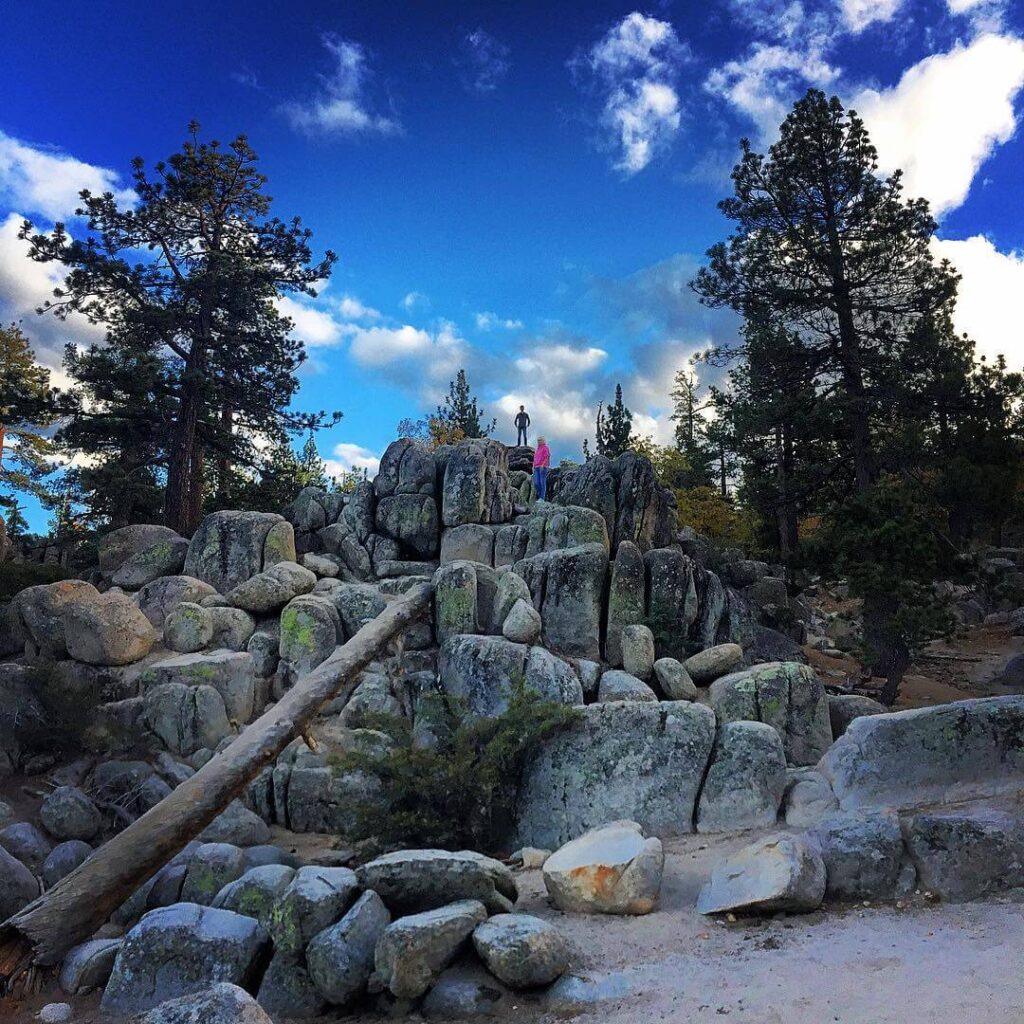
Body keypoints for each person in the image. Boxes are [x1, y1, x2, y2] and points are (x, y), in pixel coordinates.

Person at [533, 435, 550, 501]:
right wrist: (533, 466)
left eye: (540, 440)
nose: (539, 441)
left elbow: (547, 456)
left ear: (543, 441)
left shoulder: (545, 448)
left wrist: (543, 465)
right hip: (536, 467)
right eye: (538, 440)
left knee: (542, 482)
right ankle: (540, 496)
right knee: (536, 483)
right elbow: (535, 458)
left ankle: (542, 498)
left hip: (543, 467)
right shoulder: (537, 449)